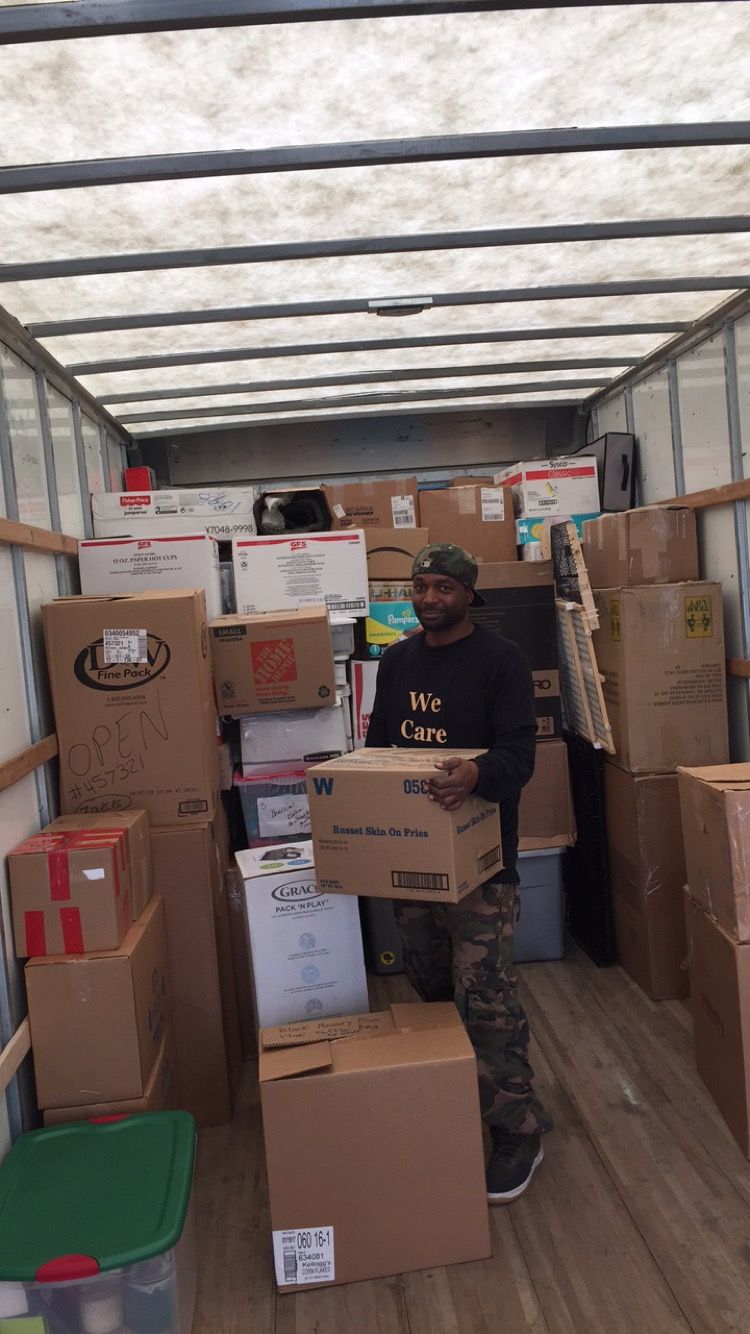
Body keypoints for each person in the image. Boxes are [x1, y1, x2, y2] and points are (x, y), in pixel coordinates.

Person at [365, 541, 551, 1203]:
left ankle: (517, 1125)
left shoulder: (501, 660)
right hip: (413, 857)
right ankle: (453, 1090)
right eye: (421, 586)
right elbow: (381, 748)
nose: (429, 599)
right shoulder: (396, 660)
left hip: (480, 861)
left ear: (469, 593)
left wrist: (476, 773)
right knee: (432, 982)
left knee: (487, 996)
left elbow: (520, 755)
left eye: (444, 587)